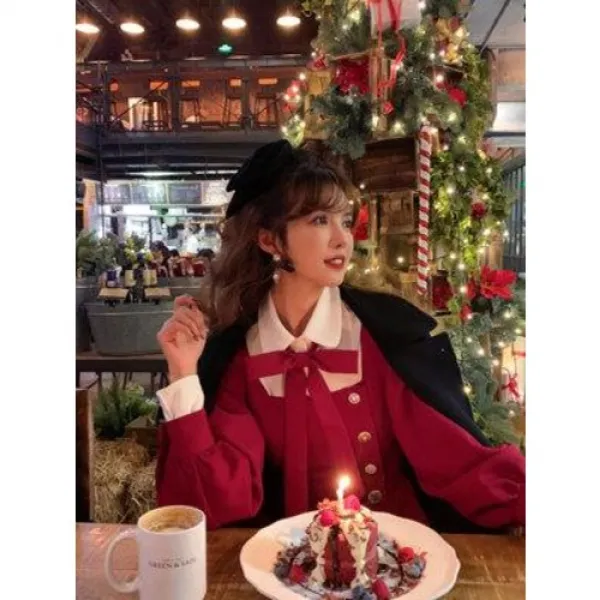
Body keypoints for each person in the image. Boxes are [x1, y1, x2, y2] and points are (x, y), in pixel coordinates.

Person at [154, 140, 525, 533]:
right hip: (291, 559)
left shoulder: (382, 335)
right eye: (319, 220)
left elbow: (456, 460)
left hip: (397, 551)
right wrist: (183, 374)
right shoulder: (242, 355)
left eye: (345, 221)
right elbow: (219, 499)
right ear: (270, 240)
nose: (343, 239)